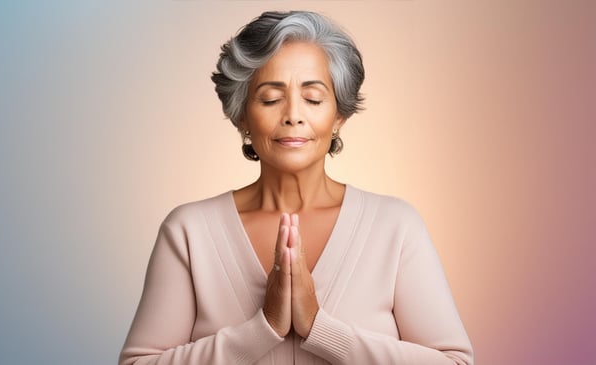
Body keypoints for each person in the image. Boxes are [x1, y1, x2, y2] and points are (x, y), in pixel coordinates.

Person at [119, 10, 473, 365]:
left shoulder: (395, 227)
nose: (293, 115)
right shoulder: (189, 232)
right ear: (241, 116)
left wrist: (321, 329)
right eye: (271, 99)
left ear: (338, 116)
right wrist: (263, 328)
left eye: (314, 99)